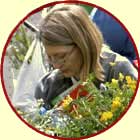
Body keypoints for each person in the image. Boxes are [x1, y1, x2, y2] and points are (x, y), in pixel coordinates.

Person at [35, 4, 137, 109]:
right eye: (50, 58)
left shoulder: (119, 71)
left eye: (61, 56)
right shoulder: (47, 87)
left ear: (83, 44)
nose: (56, 66)